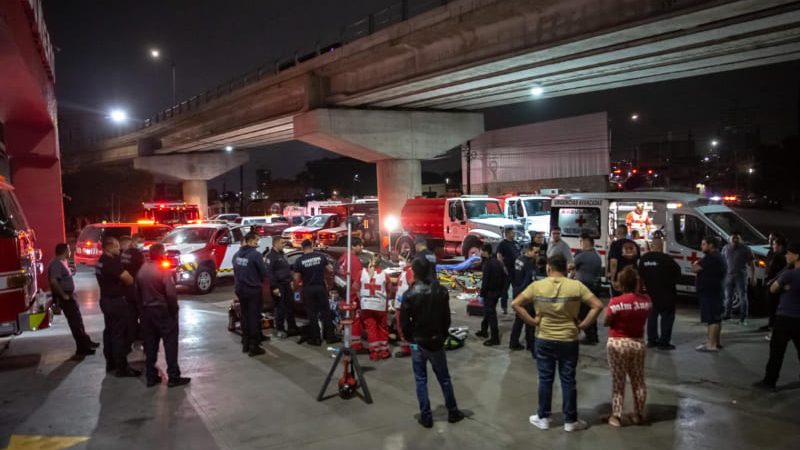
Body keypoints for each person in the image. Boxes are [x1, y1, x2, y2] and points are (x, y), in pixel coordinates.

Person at [512, 255, 604, 432]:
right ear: (567, 269)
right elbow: (597, 305)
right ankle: (570, 421)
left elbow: (516, 304)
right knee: (568, 379)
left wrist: (532, 322)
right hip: (568, 339)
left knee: (545, 379)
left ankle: (543, 418)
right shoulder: (576, 286)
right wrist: (584, 325)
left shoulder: (538, 286)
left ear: (548, 268)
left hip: (544, 338)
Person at [400, 257, 465, 428]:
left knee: (421, 380)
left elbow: (404, 323)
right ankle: (453, 411)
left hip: (417, 342)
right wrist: (442, 336)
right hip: (436, 341)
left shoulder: (410, 294)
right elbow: (447, 319)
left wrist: (411, 339)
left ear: (414, 271)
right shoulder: (441, 291)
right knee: (444, 378)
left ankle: (426, 416)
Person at [603, 266, 652, 427]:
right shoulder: (646, 301)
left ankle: (616, 416)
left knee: (619, 380)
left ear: (621, 284)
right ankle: (638, 414)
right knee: (638, 380)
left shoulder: (615, 302)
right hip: (638, 342)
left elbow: (606, 322)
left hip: (618, 343)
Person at [137, 244, 190, 388]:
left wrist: (142, 311)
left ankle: (151, 376)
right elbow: (171, 294)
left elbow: (137, 292)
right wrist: (174, 310)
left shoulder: (142, 269)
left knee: (150, 345)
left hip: (147, 312)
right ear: (161, 254)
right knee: (170, 343)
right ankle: (173, 376)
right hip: (163, 312)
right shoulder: (163, 270)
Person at [753, 243, 800, 391]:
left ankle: (770, 381)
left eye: (789, 253)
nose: (786, 256)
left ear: (796, 256)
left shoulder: (789, 274)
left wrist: (784, 287)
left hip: (785, 318)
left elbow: (773, 289)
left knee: (777, 352)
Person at [95, 237, 138, 377]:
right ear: (108, 247)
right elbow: (128, 279)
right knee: (120, 334)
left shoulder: (100, 261)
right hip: (115, 302)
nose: (118, 249)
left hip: (105, 300)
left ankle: (111, 363)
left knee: (109, 332)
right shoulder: (111, 262)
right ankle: (122, 368)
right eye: (116, 246)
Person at [48, 243, 98, 356]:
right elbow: (53, 281)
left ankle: (86, 343)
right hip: (66, 298)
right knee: (75, 323)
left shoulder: (61, 262)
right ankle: (82, 349)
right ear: (65, 251)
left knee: (78, 321)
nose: (70, 252)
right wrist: (63, 295)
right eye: (69, 250)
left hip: (70, 296)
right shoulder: (56, 264)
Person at [292, 239, 339, 346]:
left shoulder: (299, 261)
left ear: (302, 248)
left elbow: (296, 278)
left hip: (308, 289)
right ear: (312, 246)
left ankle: (316, 339)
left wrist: (294, 288)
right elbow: (330, 270)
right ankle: (330, 337)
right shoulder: (321, 256)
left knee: (312, 314)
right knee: (326, 313)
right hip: (320, 288)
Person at [638, 237, 681, 350]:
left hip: (650, 293)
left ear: (652, 246)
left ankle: (652, 340)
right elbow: (678, 274)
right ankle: (664, 342)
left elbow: (640, 276)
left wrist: (640, 292)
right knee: (667, 317)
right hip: (667, 293)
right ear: (662, 246)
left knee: (652, 316)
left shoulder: (644, 259)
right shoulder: (667, 259)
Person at [233, 232, 269, 356]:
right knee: (254, 317)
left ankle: (246, 343)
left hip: (241, 289)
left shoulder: (237, 255)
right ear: (251, 241)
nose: (257, 242)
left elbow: (236, 272)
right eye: (256, 240)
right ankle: (254, 346)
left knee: (245, 316)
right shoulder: (256, 255)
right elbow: (264, 273)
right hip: (253, 290)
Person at [693, 236, 727, 352]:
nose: (701, 247)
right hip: (715, 292)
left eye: (703, 244)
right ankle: (715, 342)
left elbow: (695, 268)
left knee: (712, 319)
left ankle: (711, 345)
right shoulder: (719, 256)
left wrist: (696, 263)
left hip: (710, 293)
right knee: (716, 318)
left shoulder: (711, 257)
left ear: (711, 245)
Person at [265, 237, 299, 339]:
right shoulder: (270, 256)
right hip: (278, 286)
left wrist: (291, 281)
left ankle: (292, 327)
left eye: (284, 242)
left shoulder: (282, 254)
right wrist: (274, 287)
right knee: (280, 308)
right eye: (282, 243)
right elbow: (269, 273)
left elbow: (287, 269)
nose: (284, 244)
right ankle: (280, 329)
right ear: (275, 244)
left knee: (290, 306)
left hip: (287, 284)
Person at [573, 234, 603, 345]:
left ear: (585, 242)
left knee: (583, 312)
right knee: (592, 311)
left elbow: (570, 265)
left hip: (585, 288)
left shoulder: (583, 255)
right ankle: (594, 336)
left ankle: (589, 336)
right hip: (595, 287)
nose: (580, 244)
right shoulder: (597, 255)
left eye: (581, 241)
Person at [360, 256, 390, 360]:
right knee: (382, 328)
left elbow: (355, 287)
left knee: (371, 329)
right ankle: (384, 351)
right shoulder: (384, 275)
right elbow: (389, 290)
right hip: (380, 306)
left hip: (366, 306)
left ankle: (374, 353)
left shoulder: (362, 273)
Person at [722, 231, 755, 325]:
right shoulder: (725, 248)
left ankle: (743, 318)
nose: (735, 240)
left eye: (737, 238)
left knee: (742, 297)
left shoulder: (746, 249)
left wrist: (753, 277)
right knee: (728, 296)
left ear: (740, 239)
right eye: (733, 238)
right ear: (729, 239)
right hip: (728, 275)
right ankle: (727, 314)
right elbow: (723, 261)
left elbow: (752, 264)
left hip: (741, 276)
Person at [337, 237, 364, 351]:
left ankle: (348, 342)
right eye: (360, 245)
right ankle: (356, 345)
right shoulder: (354, 260)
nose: (362, 247)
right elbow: (358, 280)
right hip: (352, 295)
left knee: (347, 321)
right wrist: (359, 296)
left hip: (344, 294)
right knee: (355, 320)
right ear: (353, 246)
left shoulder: (343, 258)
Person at [476, 244, 505, 346]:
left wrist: (482, 294)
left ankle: (495, 338)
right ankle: (484, 331)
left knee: (491, 315)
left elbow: (485, 282)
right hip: (497, 292)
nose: (480, 252)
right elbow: (504, 277)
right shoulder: (497, 261)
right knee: (487, 312)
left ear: (484, 251)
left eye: (481, 251)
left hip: (490, 293)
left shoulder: (488, 264)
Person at [509, 244, 536, 352]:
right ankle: (530, 344)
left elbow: (514, 275)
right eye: (535, 252)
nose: (536, 255)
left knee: (519, 319)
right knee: (529, 321)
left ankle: (513, 341)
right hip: (525, 295)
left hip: (517, 291)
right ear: (529, 251)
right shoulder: (528, 263)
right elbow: (528, 281)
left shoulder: (518, 259)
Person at [759, 235, 788, 335]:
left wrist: (773, 280)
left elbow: (782, 272)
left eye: (775, 244)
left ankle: (774, 327)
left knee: (775, 306)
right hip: (770, 282)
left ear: (780, 246)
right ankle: (771, 324)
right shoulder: (773, 254)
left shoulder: (782, 257)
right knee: (771, 306)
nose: (773, 246)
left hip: (776, 284)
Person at [120, 235, 145, 348]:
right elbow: (143, 270)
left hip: (127, 289)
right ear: (133, 241)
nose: (141, 243)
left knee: (131, 316)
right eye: (139, 241)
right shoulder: (137, 254)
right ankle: (143, 337)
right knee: (142, 314)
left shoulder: (125, 253)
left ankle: (132, 336)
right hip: (136, 288)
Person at [393, 253, 414, 358]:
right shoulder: (404, 272)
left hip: (404, 306)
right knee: (401, 327)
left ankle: (407, 349)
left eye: (402, 259)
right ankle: (407, 347)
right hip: (400, 304)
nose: (400, 261)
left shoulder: (410, 271)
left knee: (404, 327)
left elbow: (413, 286)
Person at [608, 225, 641, 289]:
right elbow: (638, 262)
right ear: (626, 233)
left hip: (620, 277)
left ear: (618, 232)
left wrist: (612, 279)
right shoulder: (635, 244)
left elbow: (614, 263)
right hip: (632, 277)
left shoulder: (615, 245)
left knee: (619, 298)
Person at [496, 227, 520, 315]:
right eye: (512, 233)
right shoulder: (503, 244)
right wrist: (503, 267)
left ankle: (516, 306)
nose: (514, 234)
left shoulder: (516, 243)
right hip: (506, 270)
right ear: (507, 234)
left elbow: (519, 254)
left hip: (516, 270)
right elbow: (499, 256)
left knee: (516, 289)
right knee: (504, 290)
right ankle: (504, 307)